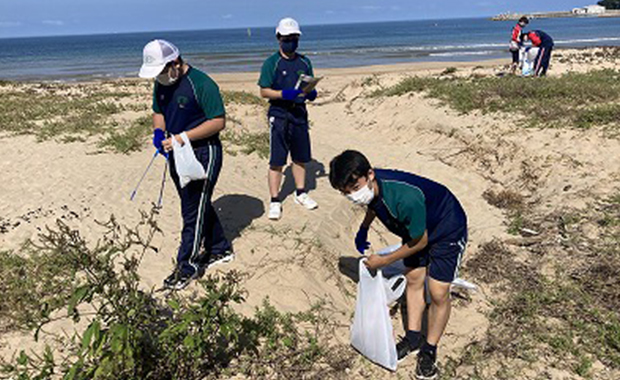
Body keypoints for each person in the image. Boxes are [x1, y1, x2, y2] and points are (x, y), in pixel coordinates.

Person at [329, 150, 468, 380]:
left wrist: (384, 260)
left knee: (438, 292)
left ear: (370, 175)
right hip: (415, 227)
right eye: (346, 193)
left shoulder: (404, 198)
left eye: (355, 189)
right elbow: (374, 204)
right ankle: (413, 338)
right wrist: (364, 228)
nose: (353, 196)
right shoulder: (371, 186)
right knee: (414, 278)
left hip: (446, 227)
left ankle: (429, 350)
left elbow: (420, 241)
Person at [138, 39, 233, 290]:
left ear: (175, 63)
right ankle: (221, 248)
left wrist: (182, 137)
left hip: (204, 151)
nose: (158, 77)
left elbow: (218, 121)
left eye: (161, 71)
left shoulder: (202, 84)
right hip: (176, 152)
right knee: (196, 204)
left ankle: (187, 265)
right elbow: (158, 111)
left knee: (192, 211)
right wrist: (159, 133)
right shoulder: (161, 83)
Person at [258, 17, 319, 221]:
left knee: (300, 157)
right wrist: (283, 94)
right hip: (279, 115)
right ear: (278, 38)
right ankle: (275, 200)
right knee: (277, 161)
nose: (290, 41)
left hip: (299, 114)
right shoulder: (271, 63)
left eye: (294, 38)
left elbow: (309, 83)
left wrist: (310, 92)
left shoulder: (304, 61)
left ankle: (300, 193)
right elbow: (264, 91)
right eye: (286, 38)